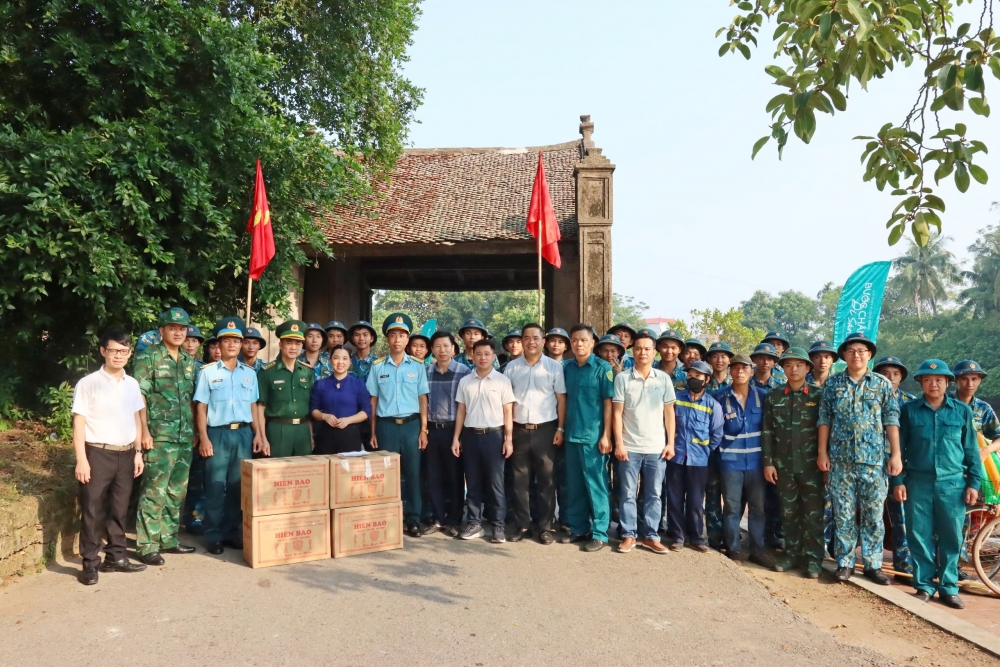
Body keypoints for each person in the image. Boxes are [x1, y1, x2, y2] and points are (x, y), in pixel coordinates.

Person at [895, 359, 980, 609]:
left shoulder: (961, 411)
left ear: (947, 383)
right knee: (918, 535)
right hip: (917, 482)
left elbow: (971, 450)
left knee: (951, 537)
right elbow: (898, 449)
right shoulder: (908, 411)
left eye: (939, 380)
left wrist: (973, 483)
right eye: (928, 380)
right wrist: (898, 481)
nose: (934, 384)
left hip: (952, 484)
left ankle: (949, 588)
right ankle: (923, 586)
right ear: (921, 383)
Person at [818, 332, 901, 584]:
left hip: (874, 462)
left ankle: (873, 565)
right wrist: (822, 452)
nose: (856, 355)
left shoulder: (882, 384)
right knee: (843, 514)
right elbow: (824, 419)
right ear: (844, 355)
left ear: (870, 355)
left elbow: (891, 419)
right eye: (851, 350)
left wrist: (896, 454)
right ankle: (845, 563)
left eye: (862, 351)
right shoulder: (833, 384)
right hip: (840, 461)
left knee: (873, 515)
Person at [72, 331, 147, 585]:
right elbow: (79, 423)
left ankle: (116, 557)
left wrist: (138, 452)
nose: (119, 356)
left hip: (126, 454)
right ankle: (90, 563)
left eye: (124, 351)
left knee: (119, 508)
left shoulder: (132, 384)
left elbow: (136, 419)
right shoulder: (88, 383)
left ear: (129, 353)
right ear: (103, 351)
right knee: (92, 509)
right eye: (114, 350)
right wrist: (81, 459)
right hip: (97, 453)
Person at [132, 307, 198, 566]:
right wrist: (144, 431)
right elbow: (139, 397)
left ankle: (168, 539)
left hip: (183, 436)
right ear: (162, 331)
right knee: (154, 490)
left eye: (182, 329)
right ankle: (147, 545)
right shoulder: (148, 357)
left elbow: (191, 400)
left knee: (176, 491)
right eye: (173, 328)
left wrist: (194, 432)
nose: (178, 333)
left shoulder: (189, 360)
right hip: (159, 436)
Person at [193, 318, 263, 554]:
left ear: (241, 344)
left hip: (243, 433)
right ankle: (213, 535)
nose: (232, 345)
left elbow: (253, 405)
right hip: (218, 434)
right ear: (219, 345)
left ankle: (232, 532)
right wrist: (204, 438)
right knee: (215, 485)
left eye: (236, 341)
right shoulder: (208, 372)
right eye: (226, 341)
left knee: (237, 486)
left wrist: (257, 434)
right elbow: (201, 407)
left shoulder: (250, 374)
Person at [761, 348, 825, 578]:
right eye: (788, 365)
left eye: (798, 365)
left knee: (813, 515)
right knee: (788, 514)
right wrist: (768, 462)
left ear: (808, 368)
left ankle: (813, 559)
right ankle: (791, 554)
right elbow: (767, 431)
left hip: (812, 467)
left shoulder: (819, 396)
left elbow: (827, 430)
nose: (793, 369)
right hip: (784, 466)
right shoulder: (774, 396)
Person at [612, 330, 675, 554]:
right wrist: (619, 444)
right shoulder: (622, 378)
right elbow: (617, 413)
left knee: (654, 494)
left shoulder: (663, 379)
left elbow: (669, 413)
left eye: (647, 349)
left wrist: (670, 443)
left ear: (654, 352)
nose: (642, 352)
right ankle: (629, 534)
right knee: (628, 493)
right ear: (633, 351)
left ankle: (651, 536)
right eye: (638, 348)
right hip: (630, 447)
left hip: (656, 448)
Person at [367, 313, 430, 538]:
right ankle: (387, 518)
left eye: (402, 336)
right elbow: (373, 401)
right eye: (393, 335)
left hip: (412, 426)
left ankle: (413, 520)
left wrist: (424, 430)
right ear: (387, 339)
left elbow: (423, 399)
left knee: (413, 474)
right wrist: (373, 431)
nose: (397, 340)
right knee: (386, 474)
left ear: (407, 340)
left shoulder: (418, 366)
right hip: (386, 427)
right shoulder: (377, 367)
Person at [504, 323, 566, 545]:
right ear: (522, 341)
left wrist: (560, 428)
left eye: (536, 338)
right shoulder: (511, 368)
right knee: (519, 480)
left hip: (546, 431)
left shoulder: (554, 367)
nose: (531, 342)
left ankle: (545, 527)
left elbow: (561, 399)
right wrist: (508, 435)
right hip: (519, 429)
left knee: (546, 481)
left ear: (543, 341)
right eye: (527, 338)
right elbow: (507, 403)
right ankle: (522, 524)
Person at [452, 339, 515, 542]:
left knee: (496, 483)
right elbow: (461, 411)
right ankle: (474, 523)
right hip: (470, 436)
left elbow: (508, 412)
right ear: (472, 356)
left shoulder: (502, 381)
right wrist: (456, 438)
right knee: (473, 481)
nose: (482, 358)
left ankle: (498, 525)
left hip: (494, 436)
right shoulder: (465, 381)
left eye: (487, 354)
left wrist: (508, 439)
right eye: (478, 354)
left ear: (493, 357)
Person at [560, 324, 615, 552]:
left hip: (593, 438)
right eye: (575, 340)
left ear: (592, 343)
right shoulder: (567, 368)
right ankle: (579, 528)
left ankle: (600, 533)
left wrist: (606, 436)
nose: (579, 344)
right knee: (574, 486)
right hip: (571, 436)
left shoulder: (602, 368)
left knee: (596, 485)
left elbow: (609, 404)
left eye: (583, 340)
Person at [715, 353, 769, 564]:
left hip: (756, 463)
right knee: (731, 508)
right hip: (731, 464)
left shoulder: (762, 396)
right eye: (735, 368)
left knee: (758, 508)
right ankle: (734, 549)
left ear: (751, 371)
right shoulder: (720, 397)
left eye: (744, 368)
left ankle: (757, 550)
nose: (739, 372)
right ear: (730, 371)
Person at [665, 360, 724, 552]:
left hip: (698, 460)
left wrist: (705, 451)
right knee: (674, 499)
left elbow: (716, 434)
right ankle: (678, 536)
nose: (693, 379)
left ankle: (696, 538)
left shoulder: (713, 405)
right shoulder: (676, 399)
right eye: (690, 375)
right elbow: (667, 424)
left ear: (706, 379)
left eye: (697, 376)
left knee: (696, 501)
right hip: (676, 457)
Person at [425, 331, 471, 536]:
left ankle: (454, 520)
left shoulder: (464, 372)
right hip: (432, 429)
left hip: (454, 430)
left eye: (446, 346)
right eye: (437, 346)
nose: (442, 350)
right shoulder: (426, 372)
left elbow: (466, 405)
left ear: (453, 348)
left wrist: (460, 436)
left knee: (455, 477)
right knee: (433, 476)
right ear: (432, 350)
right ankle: (438, 519)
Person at [874, 355, 916, 578]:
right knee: (867, 515)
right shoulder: (868, 396)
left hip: (899, 467)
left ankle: (903, 564)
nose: (890, 378)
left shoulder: (910, 403)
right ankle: (869, 562)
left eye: (895, 374)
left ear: (901, 377)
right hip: (870, 464)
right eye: (885, 373)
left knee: (901, 516)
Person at [257, 320, 316, 458]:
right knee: (277, 469)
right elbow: (260, 407)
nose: (293, 347)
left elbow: (310, 406)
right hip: (278, 430)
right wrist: (263, 437)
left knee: (303, 469)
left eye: (298, 343)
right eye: (289, 343)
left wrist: (310, 435)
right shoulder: (267, 372)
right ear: (281, 345)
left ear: (302, 346)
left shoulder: (307, 372)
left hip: (302, 430)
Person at [311, 345, 371, 455]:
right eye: (336, 358)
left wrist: (348, 420)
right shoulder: (321, 384)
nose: (340, 362)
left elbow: (366, 411)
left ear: (350, 361)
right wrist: (324, 416)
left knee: (348, 466)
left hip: (350, 436)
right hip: (325, 436)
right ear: (330, 361)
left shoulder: (358, 384)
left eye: (344, 358)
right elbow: (313, 410)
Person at [952, 359, 1000, 453]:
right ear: (956, 380)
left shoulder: (983, 408)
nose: (970, 384)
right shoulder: (943, 403)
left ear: (979, 381)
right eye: (964, 379)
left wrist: (986, 449)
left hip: (972, 458)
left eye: (974, 379)